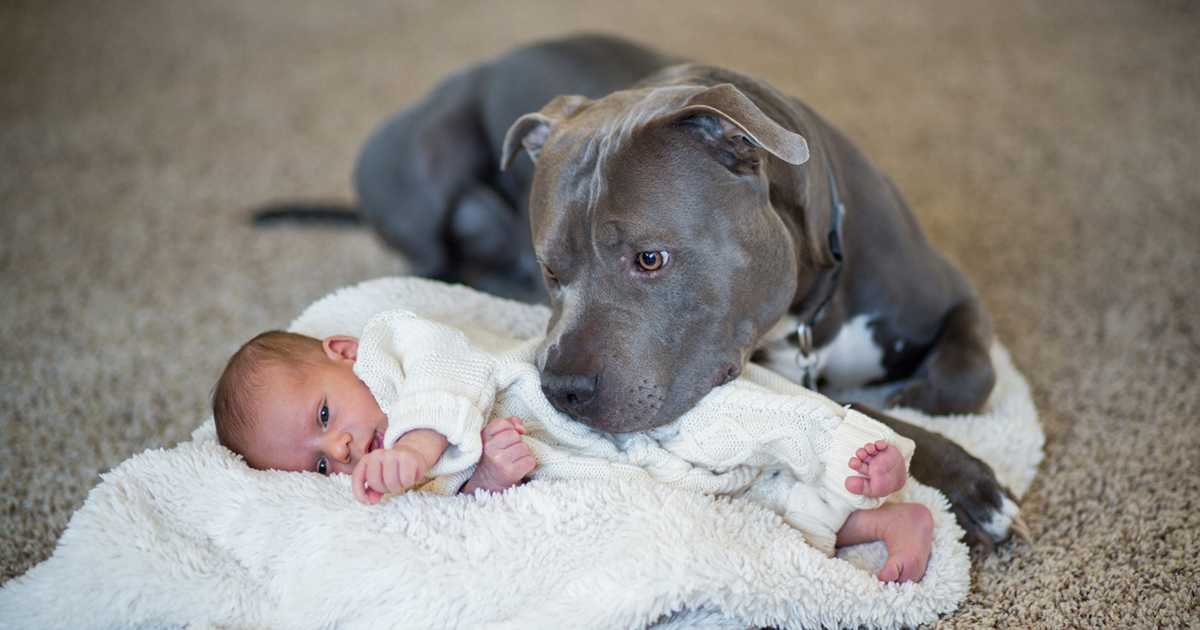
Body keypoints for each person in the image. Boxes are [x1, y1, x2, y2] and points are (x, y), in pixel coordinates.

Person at [212, 309, 933, 582]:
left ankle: (847, 447)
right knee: (728, 494)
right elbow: (466, 509)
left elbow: (452, 370)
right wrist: (488, 474)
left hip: (607, 407)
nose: (338, 447)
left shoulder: (394, 348)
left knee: (728, 421)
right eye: (314, 462)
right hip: (596, 465)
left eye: (324, 414)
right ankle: (872, 519)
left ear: (343, 352)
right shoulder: (388, 472)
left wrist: (422, 446)